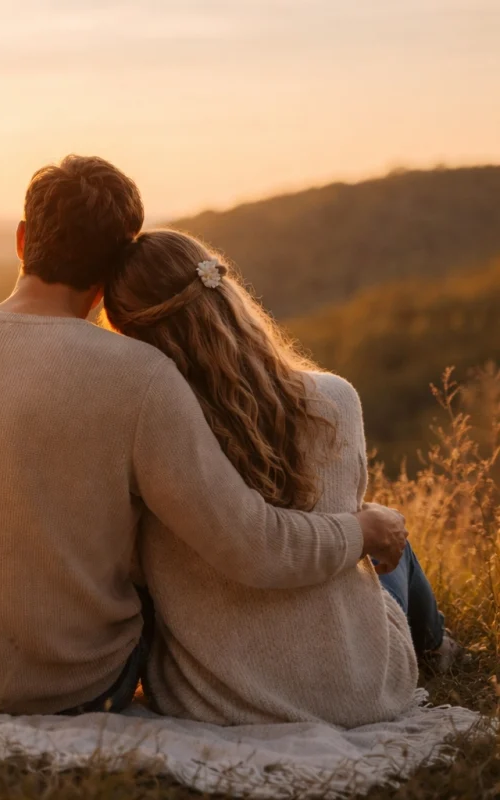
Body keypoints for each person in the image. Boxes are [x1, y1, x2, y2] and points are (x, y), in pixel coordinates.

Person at [0, 155, 410, 716]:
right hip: (77, 685)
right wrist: (359, 530)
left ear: (23, 240)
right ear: (119, 264)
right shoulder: (142, 376)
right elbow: (248, 543)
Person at [102, 229, 458, 726]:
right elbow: (344, 525)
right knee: (376, 522)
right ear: (222, 288)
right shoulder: (335, 399)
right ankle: (436, 644)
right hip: (362, 688)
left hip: (222, 699)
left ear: (129, 332)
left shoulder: (154, 431)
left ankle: (436, 639)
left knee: (366, 523)